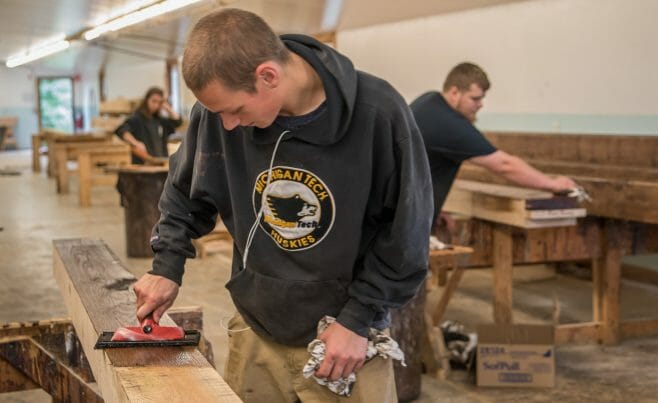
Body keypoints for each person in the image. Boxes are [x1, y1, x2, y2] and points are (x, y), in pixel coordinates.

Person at [132, 8, 432, 402]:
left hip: (343, 338)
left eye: (236, 111)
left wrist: (359, 320)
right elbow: (185, 193)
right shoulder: (216, 116)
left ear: (268, 76)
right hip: (257, 325)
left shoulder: (378, 114)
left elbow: (406, 234)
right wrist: (166, 266)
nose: (228, 126)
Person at [410, 62, 577, 230]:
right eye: (474, 98)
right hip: (404, 227)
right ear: (454, 92)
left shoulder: (428, 101)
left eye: (482, 98)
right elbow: (504, 165)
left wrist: (433, 209)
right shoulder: (449, 124)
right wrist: (553, 184)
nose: (480, 104)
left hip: (401, 213)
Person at [115, 86, 182, 164]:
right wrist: (136, 143)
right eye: (154, 101)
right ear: (147, 100)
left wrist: (167, 108)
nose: (156, 105)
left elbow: (177, 122)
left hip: (160, 162)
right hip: (143, 164)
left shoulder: (159, 120)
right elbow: (122, 130)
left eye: (159, 102)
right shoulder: (137, 118)